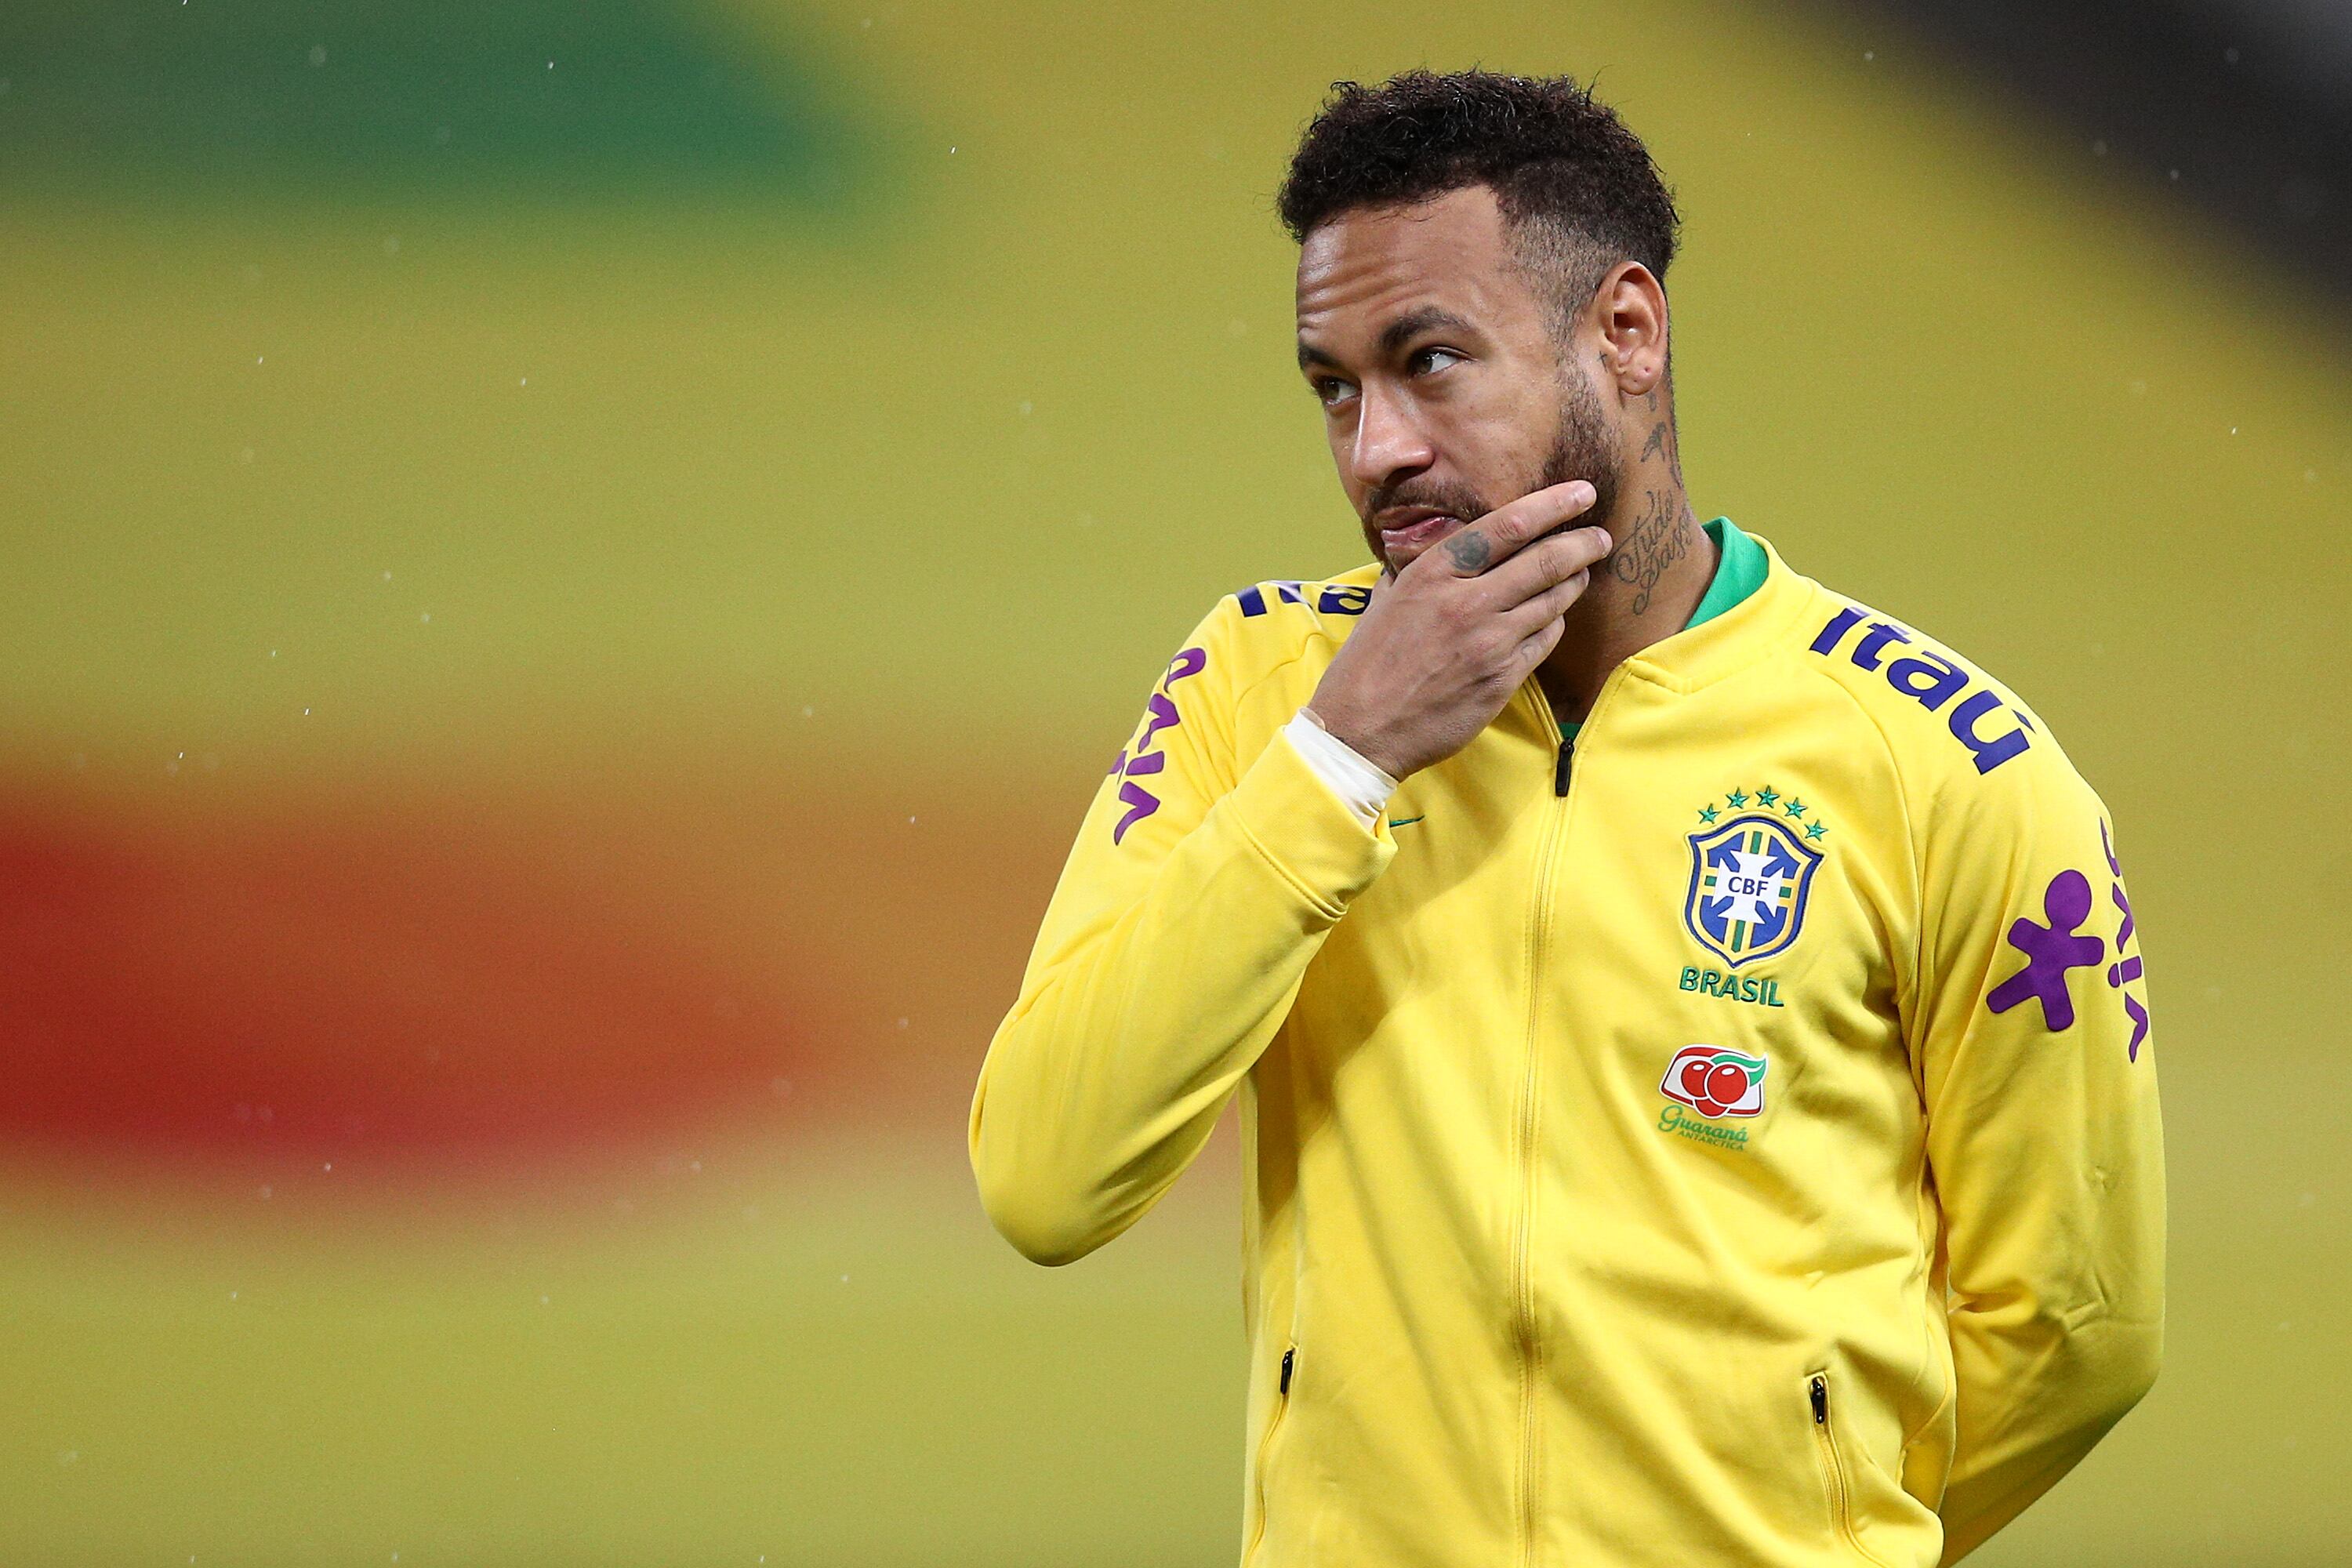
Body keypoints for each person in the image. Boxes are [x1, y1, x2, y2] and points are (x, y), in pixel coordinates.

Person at [968, 69, 2161, 1568]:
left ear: (1627, 333)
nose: (1374, 449)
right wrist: (1345, 759)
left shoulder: (1952, 763)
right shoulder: (1260, 693)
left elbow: (2081, 1328)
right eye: (1334, 386)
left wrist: (1811, 1526)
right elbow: (1044, 1176)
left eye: (1430, 361)